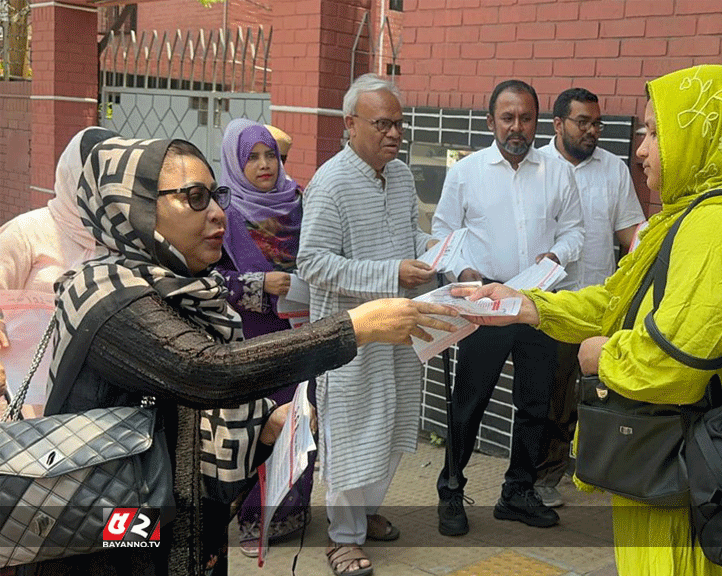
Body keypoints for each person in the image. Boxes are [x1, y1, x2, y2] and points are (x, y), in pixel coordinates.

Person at [33, 136, 456, 576]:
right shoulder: (106, 294)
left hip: (175, 517)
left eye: (215, 195)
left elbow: (194, 419)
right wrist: (356, 327)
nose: (217, 212)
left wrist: (266, 428)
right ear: (133, 207)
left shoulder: (189, 288)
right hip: (110, 523)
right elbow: (204, 370)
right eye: (194, 198)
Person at [454, 65, 722, 575]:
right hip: (667, 459)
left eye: (656, 133)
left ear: (701, 138)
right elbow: (614, 298)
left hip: (685, 465)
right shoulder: (687, 218)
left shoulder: (716, 227)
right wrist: (528, 304)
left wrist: (599, 354)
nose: (641, 150)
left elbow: (676, 363)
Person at [295, 73, 437, 576]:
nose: (394, 134)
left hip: (399, 326)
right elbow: (311, 263)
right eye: (383, 124)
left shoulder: (398, 176)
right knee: (352, 432)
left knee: (393, 422)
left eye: (399, 124)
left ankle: (366, 512)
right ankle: (343, 537)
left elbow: (409, 235)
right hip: (350, 335)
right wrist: (389, 273)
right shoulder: (331, 182)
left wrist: (437, 256)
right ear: (350, 124)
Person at [429, 79, 584, 537]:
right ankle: (451, 491)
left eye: (526, 118)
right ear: (491, 121)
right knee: (469, 403)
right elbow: (442, 235)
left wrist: (557, 257)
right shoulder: (467, 172)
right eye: (508, 118)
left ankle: (517, 492)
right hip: (485, 307)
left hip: (536, 305)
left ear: (539, 120)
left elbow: (574, 232)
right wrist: (464, 275)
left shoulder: (558, 172)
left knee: (536, 403)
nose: (517, 127)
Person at [533, 87, 646, 508]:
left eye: (597, 123)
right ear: (559, 124)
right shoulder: (535, 166)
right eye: (583, 122)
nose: (592, 131)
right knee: (546, 396)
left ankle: (570, 471)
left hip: (598, 301)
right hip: (548, 302)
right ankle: (536, 476)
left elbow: (630, 232)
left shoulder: (614, 169)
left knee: (586, 393)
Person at [215, 118, 309, 555]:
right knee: (258, 425)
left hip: (301, 330)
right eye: (251, 157)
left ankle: (290, 511)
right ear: (235, 161)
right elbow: (207, 278)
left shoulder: (299, 202)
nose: (264, 164)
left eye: (269, 154)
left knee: (299, 417)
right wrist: (257, 283)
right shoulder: (222, 213)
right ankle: (251, 516)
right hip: (249, 337)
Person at [0, 126, 119, 412]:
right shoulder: (28, 232)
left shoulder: (124, 239)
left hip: (102, 401)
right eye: (91, 175)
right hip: (30, 402)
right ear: (71, 174)